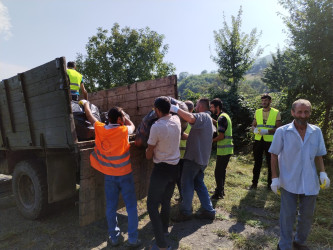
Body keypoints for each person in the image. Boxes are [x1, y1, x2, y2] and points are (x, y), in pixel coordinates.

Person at [269, 99, 330, 250]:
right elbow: (274, 155)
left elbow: (319, 155)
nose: (303, 115)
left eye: (306, 112)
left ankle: (299, 242)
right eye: (300, 112)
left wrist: (323, 173)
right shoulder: (282, 132)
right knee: (287, 216)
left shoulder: (316, 131)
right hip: (289, 180)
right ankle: (284, 246)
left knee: (307, 216)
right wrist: (274, 178)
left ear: (309, 113)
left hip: (310, 180)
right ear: (292, 112)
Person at [80, 99, 141, 248]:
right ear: (119, 119)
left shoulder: (100, 128)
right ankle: (133, 239)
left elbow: (90, 116)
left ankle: (114, 238)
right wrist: (125, 119)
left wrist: (85, 103)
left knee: (111, 207)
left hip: (109, 176)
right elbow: (132, 125)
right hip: (125, 175)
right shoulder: (124, 130)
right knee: (131, 207)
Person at [171, 98, 216, 221]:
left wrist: (175, 109)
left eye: (196, 106)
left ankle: (185, 212)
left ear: (201, 107)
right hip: (202, 159)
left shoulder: (203, 116)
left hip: (193, 159)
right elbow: (194, 137)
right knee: (198, 183)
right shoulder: (208, 122)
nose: (195, 108)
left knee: (186, 184)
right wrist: (180, 134)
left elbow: (191, 118)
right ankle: (209, 210)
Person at [146, 96, 181, 250]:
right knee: (165, 200)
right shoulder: (177, 120)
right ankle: (165, 230)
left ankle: (161, 245)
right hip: (175, 168)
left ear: (158, 110)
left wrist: (148, 152)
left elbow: (149, 153)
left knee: (151, 206)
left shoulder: (157, 126)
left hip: (161, 170)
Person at [250, 93, 281, 190]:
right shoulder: (257, 111)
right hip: (258, 140)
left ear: (270, 101)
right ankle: (254, 184)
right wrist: (254, 129)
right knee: (257, 162)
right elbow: (253, 124)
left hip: (270, 141)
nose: (263, 102)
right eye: (262, 101)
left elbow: (279, 128)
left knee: (270, 163)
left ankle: (270, 185)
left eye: (266, 100)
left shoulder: (276, 112)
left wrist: (267, 131)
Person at [210, 98, 233, 200]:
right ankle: (221, 191)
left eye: (212, 107)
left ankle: (218, 193)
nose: (211, 109)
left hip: (224, 150)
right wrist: (211, 120)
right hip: (226, 150)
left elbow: (221, 136)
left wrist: (210, 141)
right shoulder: (223, 116)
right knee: (221, 171)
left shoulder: (221, 118)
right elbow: (219, 125)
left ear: (217, 107)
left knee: (218, 172)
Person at [176, 100, 194, 202]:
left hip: (183, 156)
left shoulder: (189, 122)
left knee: (182, 179)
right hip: (183, 155)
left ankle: (185, 198)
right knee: (181, 179)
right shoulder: (191, 121)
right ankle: (183, 196)